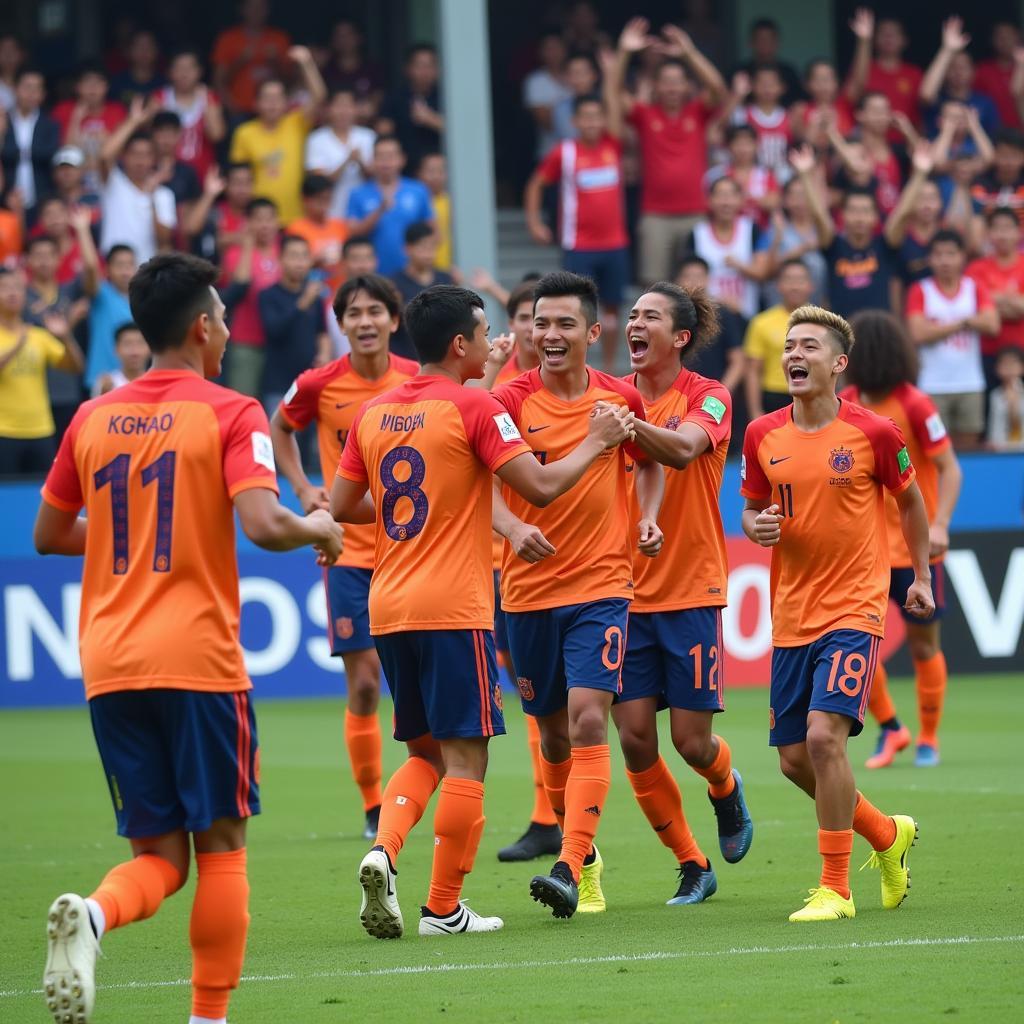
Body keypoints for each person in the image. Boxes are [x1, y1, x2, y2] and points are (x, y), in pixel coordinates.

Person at [34, 251, 342, 1024]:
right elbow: (266, 524)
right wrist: (321, 528)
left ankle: (96, 916)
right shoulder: (231, 412)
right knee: (223, 847)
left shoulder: (92, 415)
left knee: (159, 858)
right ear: (203, 327)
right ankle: (209, 1017)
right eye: (225, 318)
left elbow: (48, 533)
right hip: (198, 659)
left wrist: (122, 541)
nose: (231, 331)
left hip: (109, 661)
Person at [331, 283, 634, 937]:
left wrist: (419, 504)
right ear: (461, 344)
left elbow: (344, 504)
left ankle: (384, 849)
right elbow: (544, 488)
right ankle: (443, 907)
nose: (503, 338)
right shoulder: (474, 407)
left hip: (389, 604)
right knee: (467, 760)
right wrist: (597, 439)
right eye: (484, 330)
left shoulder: (376, 412)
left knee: (425, 754)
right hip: (453, 606)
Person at [741, 303, 931, 922]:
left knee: (825, 738)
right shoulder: (761, 434)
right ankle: (885, 834)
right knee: (794, 758)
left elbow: (911, 502)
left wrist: (921, 576)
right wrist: (758, 525)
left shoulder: (874, 432)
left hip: (854, 606)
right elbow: (749, 509)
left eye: (809, 347)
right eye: (789, 346)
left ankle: (835, 888)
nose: (794, 355)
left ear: (838, 363)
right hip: (791, 612)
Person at [491, 271, 665, 919]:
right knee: (554, 738)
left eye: (565, 324)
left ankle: (566, 867)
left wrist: (648, 517)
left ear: (594, 332)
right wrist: (510, 525)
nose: (551, 335)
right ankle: (585, 857)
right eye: (541, 323)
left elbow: (649, 464)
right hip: (527, 591)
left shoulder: (622, 398)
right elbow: (475, 478)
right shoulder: (507, 401)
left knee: (592, 716)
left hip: (602, 585)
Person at [613, 281, 753, 906]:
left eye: (649, 317)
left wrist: (627, 426)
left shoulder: (710, 397)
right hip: (618, 593)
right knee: (636, 738)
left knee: (690, 742)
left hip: (691, 588)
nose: (634, 326)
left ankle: (725, 786)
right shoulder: (610, 397)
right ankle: (692, 863)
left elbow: (685, 447)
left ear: (681, 337)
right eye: (632, 316)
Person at [272, 274, 418, 839]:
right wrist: (305, 490)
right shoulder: (317, 384)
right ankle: (373, 805)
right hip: (349, 552)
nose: (364, 322)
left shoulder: (417, 379)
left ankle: (420, 782)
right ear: (340, 323)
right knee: (363, 683)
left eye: (374, 311)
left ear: (393, 321)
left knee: (414, 682)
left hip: (410, 550)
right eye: (353, 313)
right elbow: (280, 428)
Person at [840, 310, 962, 770]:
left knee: (923, 646)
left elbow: (951, 468)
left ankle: (928, 738)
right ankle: (893, 728)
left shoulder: (915, 405)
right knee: (854, 645)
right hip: (863, 552)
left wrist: (942, 523)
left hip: (915, 551)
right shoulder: (845, 403)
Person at [606, 18, 728, 286]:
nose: (672, 88)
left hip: (695, 212)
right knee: (654, 285)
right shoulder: (645, 114)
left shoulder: (697, 112)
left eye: (678, 82)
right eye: (666, 82)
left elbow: (718, 89)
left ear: (687, 87)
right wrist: (624, 51)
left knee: (695, 287)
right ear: (656, 86)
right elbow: (614, 91)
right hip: (655, 215)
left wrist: (690, 53)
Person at [525, 93, 629, 371]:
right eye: (586, 117)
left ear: (605, 119)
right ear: (575, 121)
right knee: (575, 308)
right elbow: (536, 184)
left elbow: (617, 102)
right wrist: (535, 222)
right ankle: (576, 366)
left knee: (611, 311)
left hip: (615, 243)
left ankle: (607, 368)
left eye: (598, 116)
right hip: (579, 244)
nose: (592, 123)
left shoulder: (613, 145)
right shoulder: (565, 152)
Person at [906, 229, 1000, 450]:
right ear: (929, 259)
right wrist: (963, 322)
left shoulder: (974, 287)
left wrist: (938, 327)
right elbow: (918, 334)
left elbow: (992, 324)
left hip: (970, 383)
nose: (944, 260)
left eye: (950, 254)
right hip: (932, 386)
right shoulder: (920, 290)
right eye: (938, 254)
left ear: (962, 257)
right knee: (933, 452)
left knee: (969, 451)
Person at [796, 145, 901, 318]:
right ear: (843, 216)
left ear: (876, 217)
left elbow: (903, 213)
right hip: (842, 335)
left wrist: (920, 173)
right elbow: (818, 215)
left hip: (877, 335)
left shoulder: (884, 246)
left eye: (865, 211)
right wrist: (805, 175)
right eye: (853, 211)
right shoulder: (834, 246)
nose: (859, 217)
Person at [228, 47, 327, 224]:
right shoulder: (245, 132)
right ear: (256, 103)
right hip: (260, 220)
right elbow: (239, 179)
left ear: (286, 102)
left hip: (295, 215)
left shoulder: (296, 123)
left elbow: (319, 96)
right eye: (267, 98)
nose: (272, 104)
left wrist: (306, 63)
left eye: (278, 98)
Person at [0, 267, 84, 476]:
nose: (12, 293)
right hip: (4, 431)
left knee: (42, 494)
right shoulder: (25, 336)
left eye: (17, 288)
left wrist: (65, 336)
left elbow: (75, 367)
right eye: (5, 288)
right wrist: (18, 344)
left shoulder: (37, 335)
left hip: (41, 430)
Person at [257, 233, 331, 411]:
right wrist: (303, 303)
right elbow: (274, 330)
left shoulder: (316, 296)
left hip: (310, 382)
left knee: (312, 438)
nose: (300, 262)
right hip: (278, 384)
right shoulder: (268, 295)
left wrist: (325, 355)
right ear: (280, 259)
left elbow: (322, 332)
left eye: (305, 256)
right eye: (293, 256)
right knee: (278, 435)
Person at [98, 103, 177, 264]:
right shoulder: (114, 182)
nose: (140, 161)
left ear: (154, 159)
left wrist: (152, 196)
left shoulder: (164, 194)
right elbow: (104, 156)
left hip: (145, 268)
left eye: (146, 155)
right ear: (124, 157)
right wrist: (133, 122)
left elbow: (164, 238)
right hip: (111, 267)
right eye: (135, 154)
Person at [346, 135, 433, 276]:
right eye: (381, 156)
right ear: (372, 160)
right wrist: (379, 211)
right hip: (373, 275)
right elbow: (353, 234)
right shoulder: (358, 193)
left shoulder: (418, 190)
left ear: (402, 159)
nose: (386, 162)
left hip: (412, 275)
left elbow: (431, 232)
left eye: (391, 156)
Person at [220, 196, 281, 398]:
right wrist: (247, 246)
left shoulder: (285, 251)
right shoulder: (235, 254)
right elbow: (239, 286)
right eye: (258, 219)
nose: (264, 225)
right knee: (244, 401)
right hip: (245, 342)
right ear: (248, 223)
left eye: (269, 219)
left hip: (280, 343)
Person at [744, 258, 814, 419]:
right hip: (773, 396)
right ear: (779, 285)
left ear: (810, 285)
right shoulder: (761, 322)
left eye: (800, 280)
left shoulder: (823, 322)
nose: (794, 286)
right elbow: (753, 371)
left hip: (811, 393)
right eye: (789, 280)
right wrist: (755, 411)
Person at [687, 176, 762, 321]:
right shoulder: (697, 234)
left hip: (747, 316)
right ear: (709, 200)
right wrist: (720, 301)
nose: (726, 202)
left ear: (741, 200)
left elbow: (763, 273)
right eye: (720, 196)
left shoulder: (752, 229)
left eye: (731, 196)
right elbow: (687, 281)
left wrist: (740, 266)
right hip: (708, 318)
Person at [968, 206, 1024, 383]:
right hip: (987, 353)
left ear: (1019, 232)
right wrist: (1013, 301)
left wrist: (993, 300)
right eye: (997, 228)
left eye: (1008, 228)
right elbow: (973, 308)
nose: (1003, 234)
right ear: (988, 233)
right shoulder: (975, 269)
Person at [845, 10, 923, 135]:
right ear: (875, 38)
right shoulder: (864, 68)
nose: (888, 37)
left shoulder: (914, 73)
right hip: (870, 142)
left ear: (904, 40)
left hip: (904, 142)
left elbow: (926, 99)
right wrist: (864, 40)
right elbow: (852, 94)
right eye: (883, 33)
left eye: (894, 34)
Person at [52, 62, 126, 194]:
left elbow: (121, 153)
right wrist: (76, 118)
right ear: (77, 86)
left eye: (98, 83)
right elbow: (66, 152)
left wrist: (105, 138)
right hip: (73, 187)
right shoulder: (63, 110)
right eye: (87, 83)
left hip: (109, 181)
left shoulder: (117, 111)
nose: (93, 88)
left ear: (106, 86)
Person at [674, 256, 744, 394]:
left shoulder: (723, 314)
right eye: (688, 276)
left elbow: (738, 361)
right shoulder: (670, 315)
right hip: (677, 394)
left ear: (708, 279)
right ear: (677, 281)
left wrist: (720, 394)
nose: (693, 282)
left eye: (699, 276)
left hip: (714, 394)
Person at [920, 17, 999, 140]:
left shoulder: (985, 102)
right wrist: (947, 50)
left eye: (963, 67)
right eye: (952, 67)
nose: (958, 72)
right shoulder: (938, 100)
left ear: (973, 72)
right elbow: (926, 94)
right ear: (944, 72)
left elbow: (994, 137)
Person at [155, 49, 226, 180]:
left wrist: (206, 101)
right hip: (167, 175)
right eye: (179, 68)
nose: (184, 74)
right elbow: (149, 135)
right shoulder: (160, 98)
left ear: (199, 71)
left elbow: (217, 135)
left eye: (189, 68)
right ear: (170, 72)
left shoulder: (209, 98)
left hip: (201, 174)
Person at [211, 0, 291, 117]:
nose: (256, 12)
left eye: (260, 8)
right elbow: (218, 81)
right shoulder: (228, 39)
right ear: (242, 9)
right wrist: (240, 62)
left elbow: (290, 81)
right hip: (239, 111)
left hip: (274, 112)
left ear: (267, 10)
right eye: (251, 7)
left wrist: (275, 62)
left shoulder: (279, 38)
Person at [305, 87, 375, 220]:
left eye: (348, 106)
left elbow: (377, 177)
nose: (343, 111)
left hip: (365, 213)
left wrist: (360, 162)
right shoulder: (316, 139)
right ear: (328, 109)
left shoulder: (368, 136)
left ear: (356, 109)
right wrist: (346, 161)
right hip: (331, 213)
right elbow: (319, 183)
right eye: (338, 106)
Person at [388, 221, 454, 360]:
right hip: (405, 359)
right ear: (407, 248)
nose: (428, 253)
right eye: (422, 247)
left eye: (432, 247)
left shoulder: (446, 280)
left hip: (441, 360)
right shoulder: (393, 284)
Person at [1, 67, 60, 216]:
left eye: (37, 89)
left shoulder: (50, 124)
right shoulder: (3, 121)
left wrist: (16, 152)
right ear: (15, 89)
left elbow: (51, 155)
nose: (31, 93)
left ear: (43, 94)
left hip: (41, 202)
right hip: (4, 200)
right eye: (27, 87)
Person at [377, 44, 443, 169]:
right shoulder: (395, 97)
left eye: (429, 66)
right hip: (404, 168)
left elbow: (462, 132)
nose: (425, 71)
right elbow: (383, 131)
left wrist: (430, 119)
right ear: (408, 69)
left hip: (439, 168)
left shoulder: (448, 98)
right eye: (419, 66)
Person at [705, 123, 779, 229]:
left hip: (760, 231)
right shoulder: (718, 174)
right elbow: (710, 204)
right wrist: (756, 200)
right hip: (727, 231)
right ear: (729, 146)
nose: (743, 149)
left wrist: (739, 200)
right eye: (738, 144)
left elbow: (774, 202)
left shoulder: (766, 174)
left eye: (747, 144)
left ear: (756, 146)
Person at [286, 173, 348, 292]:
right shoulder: (295, 229)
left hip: (339, 291)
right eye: (320, 199)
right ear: (306, 200)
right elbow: (290, 264)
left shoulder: (340, 226)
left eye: (328, 199)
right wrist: (315, 261)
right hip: (310, 292)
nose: (325, 204)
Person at [185, 161, 253, 264]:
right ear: (226, 184)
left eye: (247, 183)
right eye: (237, 183)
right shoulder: (217, 212)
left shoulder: (257, 213)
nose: (243, 189)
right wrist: (209, 194)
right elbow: (190, 228)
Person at [320, 19, 384, 124]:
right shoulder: (326, 70)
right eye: (339, 35)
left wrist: (369, 108)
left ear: (359, 37)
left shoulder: (371, 68)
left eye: (348, 34)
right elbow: (320, 102)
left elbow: (378, 99)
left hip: (366, 126)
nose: (344, 40)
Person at [523, 33, 572, 159]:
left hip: (584, 154)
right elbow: (547, 122)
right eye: (548, 49)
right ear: (541, 52)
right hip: (550, 153)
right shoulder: (535, 81)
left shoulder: (577, 77)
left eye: (557, 47)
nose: (553, 53)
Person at [732, 18, 802, 106]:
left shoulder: (789, 72)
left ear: (777, 43)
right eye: (760, 39)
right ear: (751, 43)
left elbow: (798, 101)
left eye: (769, 39)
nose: (765, 44)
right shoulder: (740, 72)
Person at [975, 23, 1023, 131]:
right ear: (992, 40)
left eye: (1009, 36)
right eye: (1000, 37)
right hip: (994, 134)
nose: (1005, 41)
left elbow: (1016, 92)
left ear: (1018, 37)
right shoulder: (983, 71)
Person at [108, 29, 165, 107]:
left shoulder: (164, 84)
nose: (144, 51)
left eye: (149, 46)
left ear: (157, 50)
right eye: (139, 46)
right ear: (128, 50)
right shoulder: (116, 83)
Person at [92, 321, 150, 396]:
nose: (134, 351)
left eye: (140, 343)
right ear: (116, 349)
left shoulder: (156, 383)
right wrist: (104, 394)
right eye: (127, 344)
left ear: (150, 349)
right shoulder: (106, 383)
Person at [417, 151, 451, 271]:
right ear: (420, 173)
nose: (436, 176)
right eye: (431, 171)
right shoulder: (414, 204)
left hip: (446, 267)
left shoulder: (452, 204)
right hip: (419, 268)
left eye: (440, 171)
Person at [986, 346, 1024, 450]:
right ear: (997, 368)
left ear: (1022, 367)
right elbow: (993, 427)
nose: (1009, 368)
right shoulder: (994, 395)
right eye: (1005, 364)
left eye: (1013, 363)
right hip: (1000, 450)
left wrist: (1015, 401)